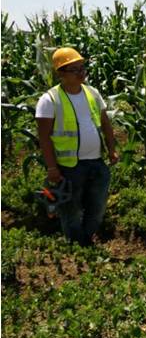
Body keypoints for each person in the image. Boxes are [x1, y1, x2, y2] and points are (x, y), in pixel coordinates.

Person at [35, 47, 118, 246]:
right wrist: (52, 167)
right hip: (69, 166)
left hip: (96, 162)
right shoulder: (49, 100)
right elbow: (44, 137)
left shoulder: (92, 93)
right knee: (71, 211)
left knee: (97, 208)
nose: (81, 73)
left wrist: (112, 149)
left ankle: (86, 241)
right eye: (75, 69)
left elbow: (105, 123)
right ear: (61, 73)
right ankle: (77, 246)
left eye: (82, 68)